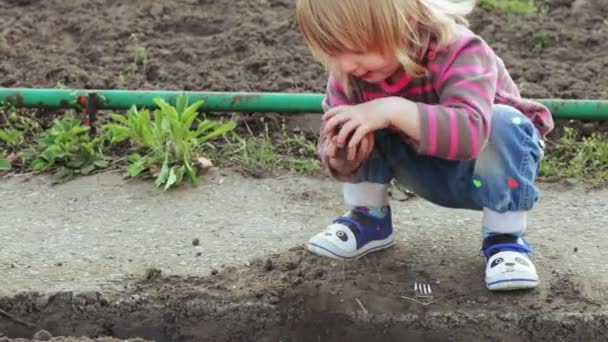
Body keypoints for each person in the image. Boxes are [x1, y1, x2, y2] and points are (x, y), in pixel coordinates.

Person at [295, 0, 554, 291]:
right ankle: (369, 218)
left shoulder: (461, 51)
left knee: (504, 120)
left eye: (357, 49)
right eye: (333, 53)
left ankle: (505, 242)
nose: (346, 64)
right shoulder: (351, 74)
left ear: (404, 22)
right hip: (419, 167)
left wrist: (392, 110)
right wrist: (343, 152)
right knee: (357, 119)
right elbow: (335, 140)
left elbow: (470, 137)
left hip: (486, 171)